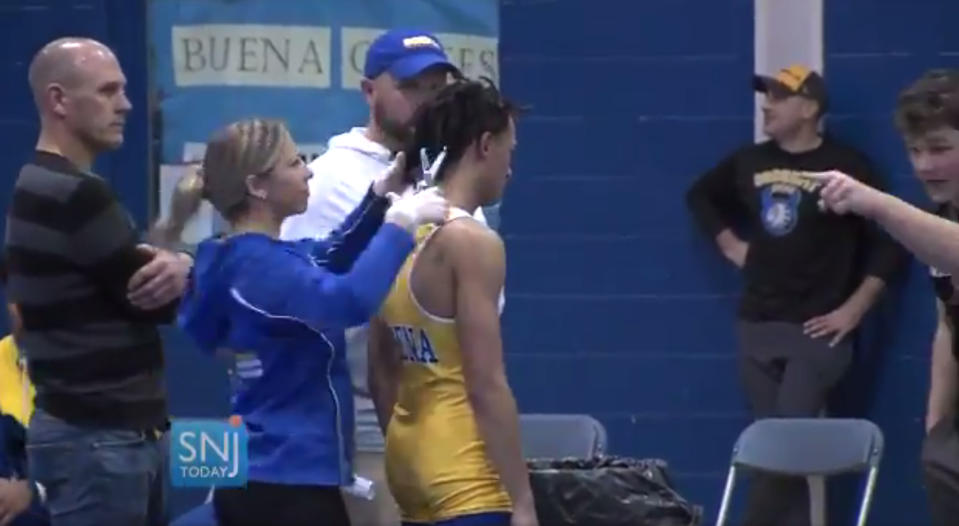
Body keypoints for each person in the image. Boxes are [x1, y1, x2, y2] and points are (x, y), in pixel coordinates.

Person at [175, 117, 449, 526]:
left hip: (269, 473)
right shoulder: (257, 268)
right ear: (257, 186)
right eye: (294, 163)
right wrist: (402, 224)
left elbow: (328, 254)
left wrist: (379, 198)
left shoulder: (238, 256)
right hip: (285, 485)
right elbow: (349, 300)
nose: (309, 170)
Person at [280, 28, 485, 526]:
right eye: (412, 86)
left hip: (453, 423)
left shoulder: (445, 175)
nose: (427, 100)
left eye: (437, 86)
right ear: (369, 91)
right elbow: (295, 305)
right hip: (369, 425)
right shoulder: (330, 179)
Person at [684, 64, 904, 526]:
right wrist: (730, 244)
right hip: (758, 324)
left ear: (809, 108)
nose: (767, 105)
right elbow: (701, 195)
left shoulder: (849, 166)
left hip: (816, 329)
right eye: (766, 96)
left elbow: (889, 243)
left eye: (780, 97)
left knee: (781, 447)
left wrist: (854, 310)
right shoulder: (749, 162)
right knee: (783, 449)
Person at [5, 37, 193, 526]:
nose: (126, 105)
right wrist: (185, 266)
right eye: (108, 92)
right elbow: (156, 300)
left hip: (97, 442)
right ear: (58, 100)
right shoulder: (76, 194)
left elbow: (129, 279)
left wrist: (170, 252)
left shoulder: (40, 184)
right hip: (101, 445)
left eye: (124, 90)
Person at [367, 79, 536, 526]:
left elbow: (381, 369)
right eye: (509, 151)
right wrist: (523, 501)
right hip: (466, 477)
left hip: (409, 459)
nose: (510, 169)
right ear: (484, 145)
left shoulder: (396, 234)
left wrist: (410, 447)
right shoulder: (471, 242)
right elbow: (486, 382)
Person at [812, 69, 959, 526]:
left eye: (940, 149)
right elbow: (948, 325)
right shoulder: (940, 220)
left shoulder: (933, 232)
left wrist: (874, 203)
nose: (924, 166)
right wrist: (936, 430)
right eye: (915, 151)